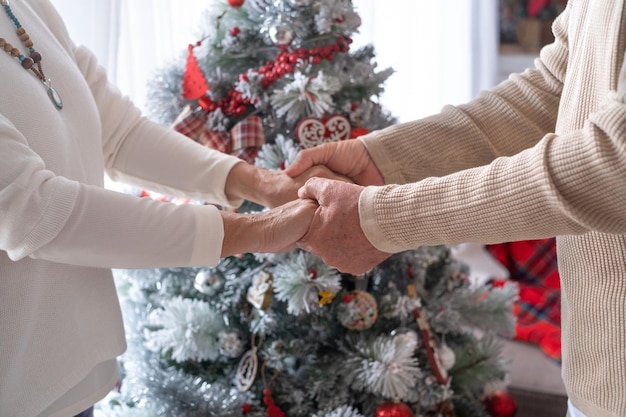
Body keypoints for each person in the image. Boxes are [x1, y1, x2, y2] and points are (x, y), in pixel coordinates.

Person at [0, 1, 341, 416]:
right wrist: (258, 230)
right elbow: (36, 210)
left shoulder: (24, 7)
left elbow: (121, 134)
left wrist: (266, 185)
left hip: (76, 380)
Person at [286, 1, 626, 416]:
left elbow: (611, 164)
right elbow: (555, 88)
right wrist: (383, 158)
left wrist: (383, 219)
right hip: (598, 387)